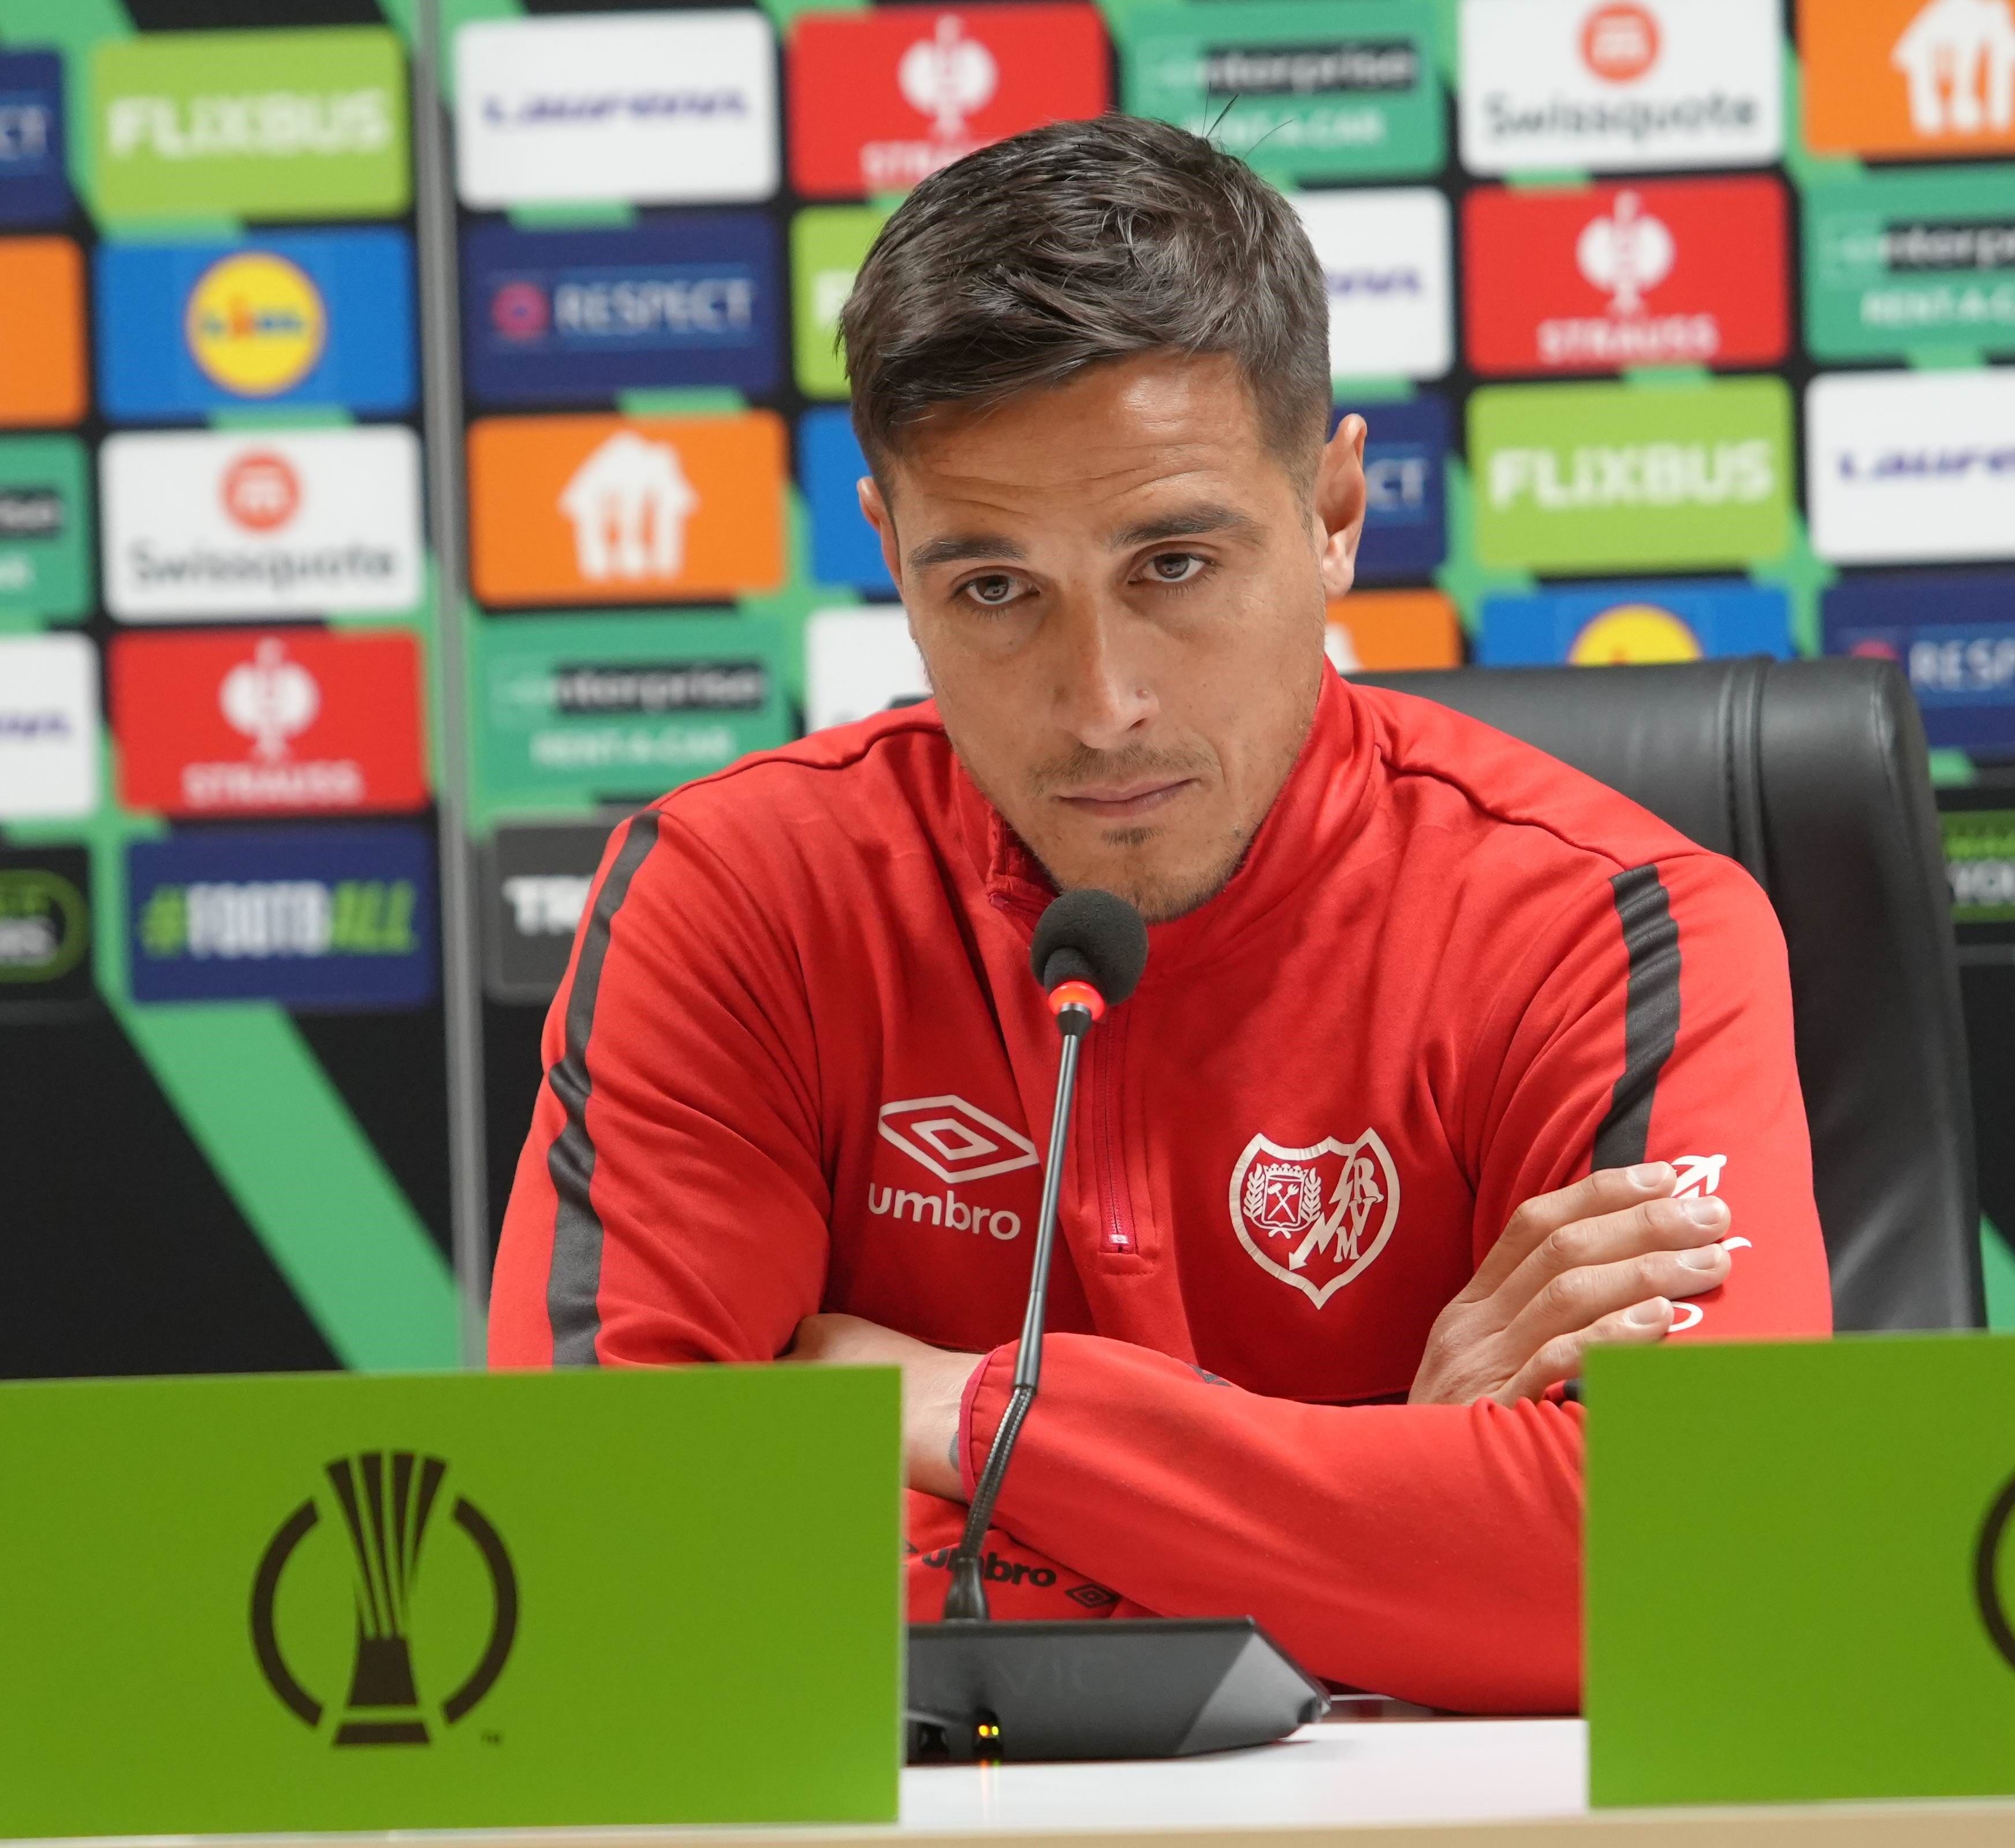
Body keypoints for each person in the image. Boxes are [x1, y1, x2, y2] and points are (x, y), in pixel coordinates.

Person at [489, 115, 1831, 1713]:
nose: (1101, 705)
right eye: (993, 589)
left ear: (1335, 511)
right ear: (892, 557)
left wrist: (969, 1418)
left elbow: (1696, 1562)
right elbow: (602, 1549)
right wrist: (1395, 1503)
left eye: (1175, 565)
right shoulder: (734, 904)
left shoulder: (1619, 931)